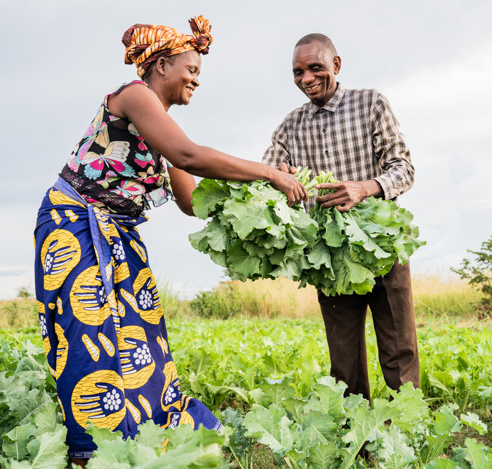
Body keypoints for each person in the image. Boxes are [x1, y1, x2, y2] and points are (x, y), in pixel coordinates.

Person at [34, 16, 307, 465]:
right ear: (160, 66)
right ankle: (92, 448)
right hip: (74, 224)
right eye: (191, 69)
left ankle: (148, 432)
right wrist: (270, 172)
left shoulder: (161, 128)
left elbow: (192, 202)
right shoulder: (135, 95)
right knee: (89, 332)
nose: (196, 79)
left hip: (117, 230)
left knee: (141, 331)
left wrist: (259, 207)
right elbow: (189, 155)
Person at [263, 33, 419, 402]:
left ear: (336, 65)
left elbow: (404, 168)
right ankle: (357, 445)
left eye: (315, 67)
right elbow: (268, 175)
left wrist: (363, 188)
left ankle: (407, 438)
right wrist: (277, 181)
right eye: (298, 72)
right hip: (329, 257)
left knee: (400, 348)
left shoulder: (371, 103)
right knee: (344, 360)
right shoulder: (290, 125)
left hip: (380, 244)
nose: (306, 79)